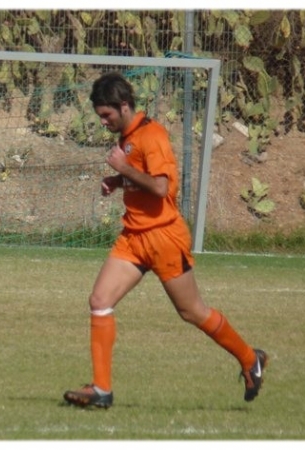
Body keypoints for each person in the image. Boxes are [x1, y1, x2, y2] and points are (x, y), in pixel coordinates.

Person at [63, 72, 267, 408]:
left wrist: (124, 170)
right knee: (99, 299)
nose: (103, 122)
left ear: (124, 106)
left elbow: (162, 188)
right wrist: (118, 181)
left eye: (106, 115)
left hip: (164, 238)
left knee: (192, 311)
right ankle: (101, 389)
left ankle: (249, 358)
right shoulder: (128, 137)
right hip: (134, 236)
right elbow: (140, 176)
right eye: (100, 115)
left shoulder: (152, 135)